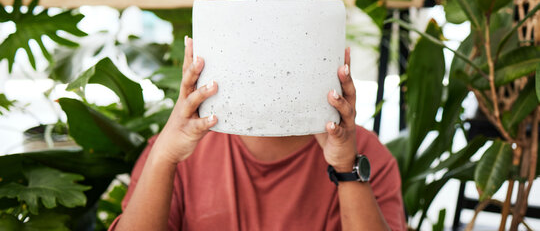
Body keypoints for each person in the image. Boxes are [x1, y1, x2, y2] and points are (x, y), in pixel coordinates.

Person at [110, 37, 406, 231]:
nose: (272, 60)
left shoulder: (362, 154)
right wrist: (164, 156)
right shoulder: (179, 150)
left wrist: (346, 168)